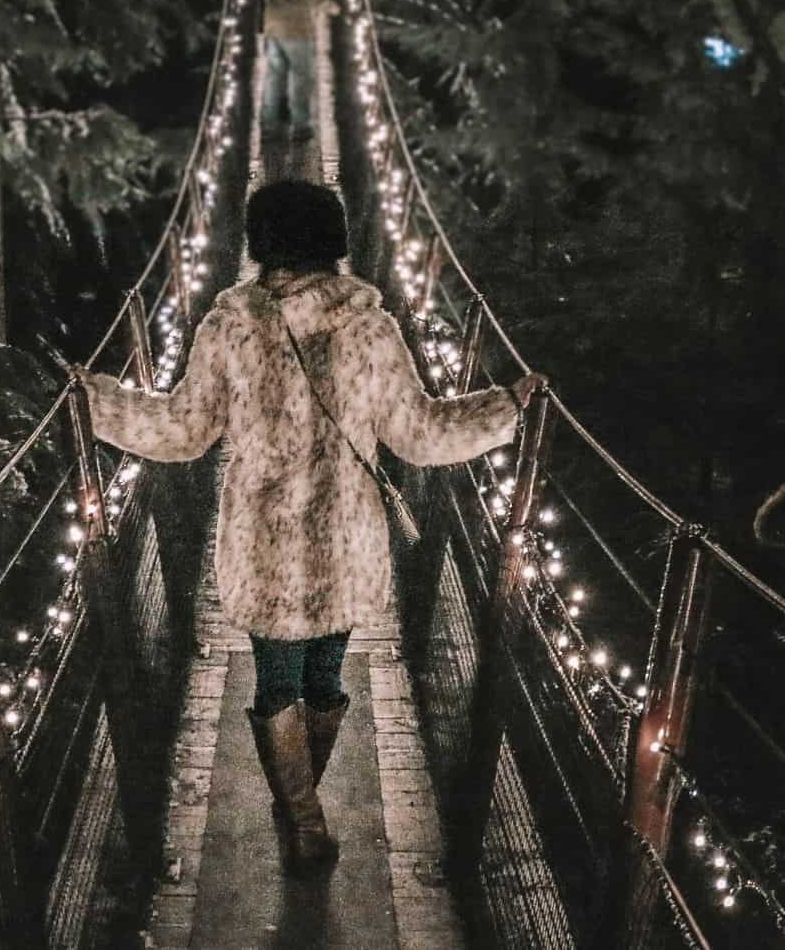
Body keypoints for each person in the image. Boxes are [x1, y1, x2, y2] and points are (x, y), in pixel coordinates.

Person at [74, 180, 542, 876]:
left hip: (262, 546)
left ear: (259, 242)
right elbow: (418, 433)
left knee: (276, 687)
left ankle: (300, 815)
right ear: (336, 239)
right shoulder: (371, 326)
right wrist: (506, 408)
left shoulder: (230, 322)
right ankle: (303, 815)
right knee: (325, 684)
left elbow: (183, 430)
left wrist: (95, 400)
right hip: (346, 544)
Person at [251, 0, 335, 142]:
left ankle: (269, 126)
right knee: (300, 78)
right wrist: (331, 6)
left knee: (273, 77)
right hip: (297, 27)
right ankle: (301, 126)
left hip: (272, 25)